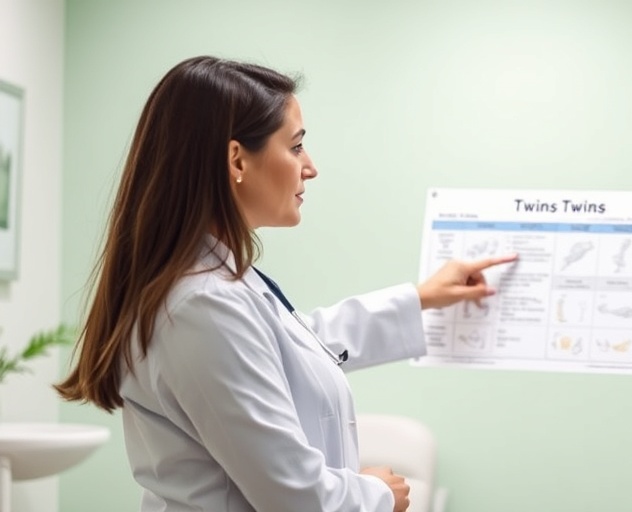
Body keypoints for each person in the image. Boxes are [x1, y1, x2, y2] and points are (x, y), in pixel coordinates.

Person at [55, 56, 516, 512]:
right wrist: (375, 493)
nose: (309, 167)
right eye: (295, 147)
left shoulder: (211, 287)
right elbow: (294, 496)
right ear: (237, 159)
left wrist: (421, 299)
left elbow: (291, 350)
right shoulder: (202, 306)